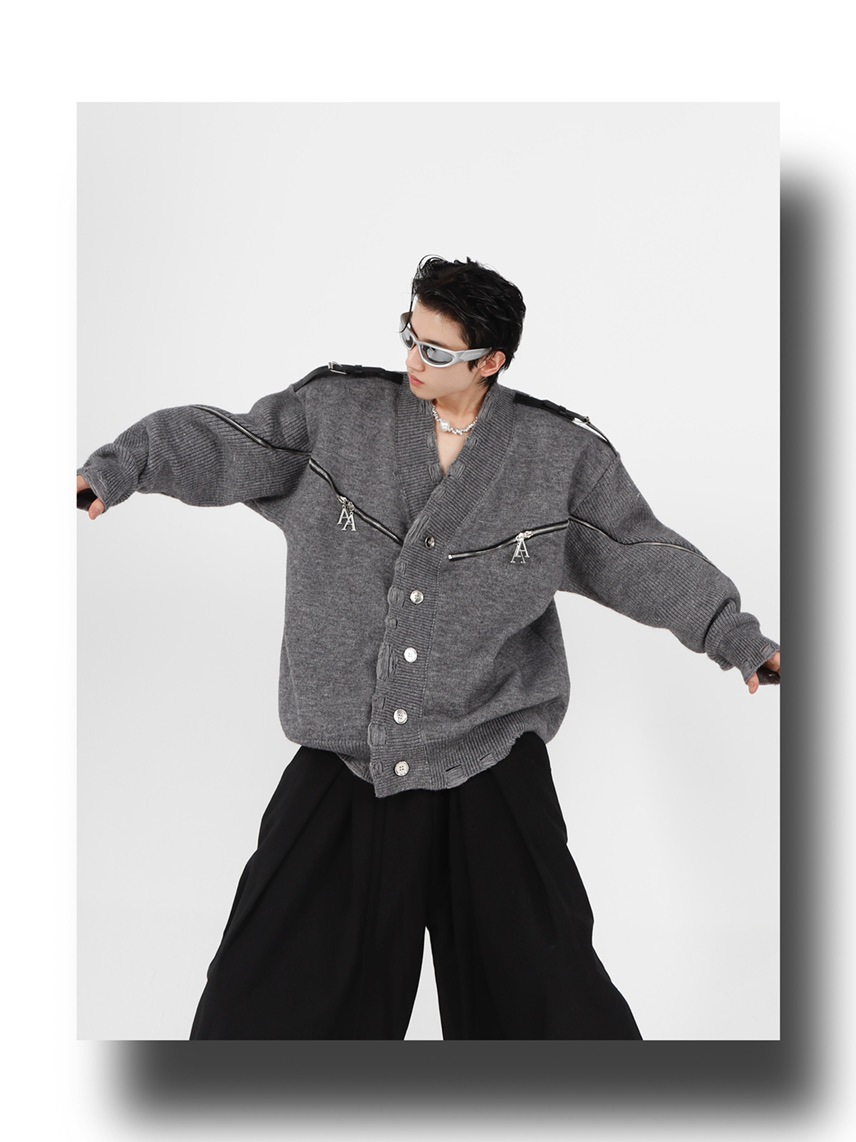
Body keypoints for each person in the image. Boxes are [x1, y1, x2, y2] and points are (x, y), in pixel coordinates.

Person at [77, 255, 781, 1040]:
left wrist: (738, 640)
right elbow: (222, 440)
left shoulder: (561, 459)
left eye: (438, 351)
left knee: (547, 1002)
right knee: (264, 1003)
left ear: (491, 361)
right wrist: (118, 470)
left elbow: (642, 556)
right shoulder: (333, 416)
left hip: (490, 760)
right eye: (410, 335)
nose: (415, 358)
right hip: (347, 760)